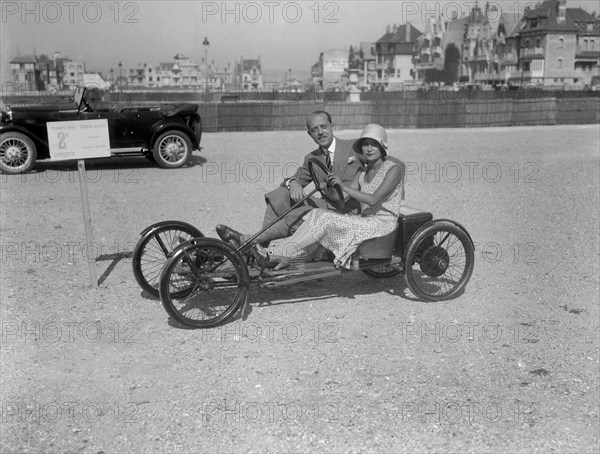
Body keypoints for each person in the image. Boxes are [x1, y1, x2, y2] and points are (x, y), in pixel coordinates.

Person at [260, 123, 405, 270]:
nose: (368, 149)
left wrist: (343, 185)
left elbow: (373, 199)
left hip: (382, 224)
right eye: (365, 145)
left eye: (374, 144)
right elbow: (343, 195)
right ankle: (277, 250)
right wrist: (328, 186)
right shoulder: (363, 171)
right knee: (316, 213)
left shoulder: (393, 169)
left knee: (326, 219)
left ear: (382, 146)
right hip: (365, 220)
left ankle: (283, 252)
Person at [216, 110, 364, 247]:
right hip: (326, 206)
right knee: (280, 195)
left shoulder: (353, 147)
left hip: (349, 211)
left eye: (323, 126)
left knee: (300, 213)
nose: (320, 132)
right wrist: (292, 182)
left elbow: (379, 159)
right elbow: (296, 178)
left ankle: (249, 241)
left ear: (332, 126)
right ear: (309, 134)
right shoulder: (312, 158)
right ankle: (260, 246)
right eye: (314, 129)